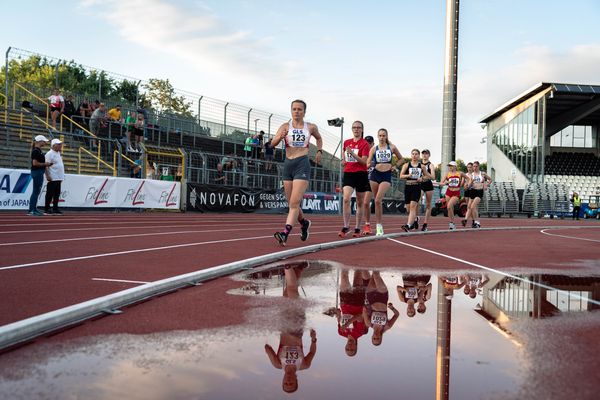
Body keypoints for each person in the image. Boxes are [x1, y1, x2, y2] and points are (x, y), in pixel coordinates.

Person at [270, 99, 323, 246]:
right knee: (291, 203)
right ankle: (304, 223)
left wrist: (319, 151)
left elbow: (319, 138)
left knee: (294, 203)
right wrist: (280, 137)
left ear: (304, 112)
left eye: (300, 109)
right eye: (294, 109)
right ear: (291, 111)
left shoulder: (310, 127)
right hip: (288, 165)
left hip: (302, 164)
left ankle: (285, 234)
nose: (296, 111)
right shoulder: (285, 126)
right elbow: (272, 144)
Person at [264, 263, 317, 394]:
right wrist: (314, 340)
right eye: (291, 383)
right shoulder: (304, 365)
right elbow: (312, 353)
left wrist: (271, 354)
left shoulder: (277, 364)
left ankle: (298, 269)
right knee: (292, 291)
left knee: (287, 293)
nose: (288, 380)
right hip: (296, 328)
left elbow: (266, 347)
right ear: (296, 380)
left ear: (282, 381)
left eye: (286, 383)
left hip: (283, 325)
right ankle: (287, 267)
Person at [366, 129, 404, 236]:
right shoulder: (374, 149)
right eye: (380, 135)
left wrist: (395, 166)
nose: (382, 137)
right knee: (376, 201)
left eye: (383, 135)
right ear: (377, 137)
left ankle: (379, 226)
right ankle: (377, 225)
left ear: (386, 136)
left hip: (386, 175)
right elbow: (368, 163)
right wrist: (371, 163)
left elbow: (401, 159)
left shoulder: (391, 147)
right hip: (375, 174)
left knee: (378, 199)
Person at [339, 121, 371, 238]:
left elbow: (364, 161)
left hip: (361, 174)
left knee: (359, 202)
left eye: (358, 127)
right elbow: (344, 156)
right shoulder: (347, 142)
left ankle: (357, 227)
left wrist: (352, 153)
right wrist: (343, 160)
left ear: (362, 130)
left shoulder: (365, 144)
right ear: (352, 129)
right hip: (348, 173)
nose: (356, 129)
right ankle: (346, 226)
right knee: (346, 199)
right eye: (354, 127)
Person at [331, 269, 370, 357]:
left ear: (345, 347)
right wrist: (348, 323)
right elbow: (360, 317)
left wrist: (338, 313)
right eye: (352, 349)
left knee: (344, 276)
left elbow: (339, 320)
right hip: (358, 302)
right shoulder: (359, 333)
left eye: (347, 349)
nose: (349, 347)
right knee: (358, 272)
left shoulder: (341, 333)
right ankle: (359, 257)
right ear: (356, 346)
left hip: (345, 303)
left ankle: (344, 260)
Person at [362, 271, 399, 346]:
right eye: (377, 339)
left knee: (372, 274)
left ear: (372, 337)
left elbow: (364, 310)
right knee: (376, 274)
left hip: (371, 296)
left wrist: (366, 306)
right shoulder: (387, 326)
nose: (376, 337)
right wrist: (392, 308)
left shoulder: (369, 323)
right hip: (383, 297)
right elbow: (397, 314)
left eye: (374, 338)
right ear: (381, 338)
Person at [400, 149, 432, 232]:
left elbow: (429, 176)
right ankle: (415, 219)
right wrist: (408, 175)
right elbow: (401, 176)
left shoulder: (422, 166)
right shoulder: (406, 165)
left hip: (417, 187)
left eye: (416, 154)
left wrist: (422, 178)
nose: (414, 155)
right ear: (411, 155)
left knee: (413, 207)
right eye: (413, 154)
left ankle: (408, 225)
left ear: (418, 156)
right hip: (408, 186)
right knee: (408, 209)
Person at [439, 161, 470, 230]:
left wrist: (467, 184)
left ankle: (452, 223)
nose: (450, 167)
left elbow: (468, 179)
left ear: (455, 166)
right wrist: (445, 182)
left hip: (456, 192)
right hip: (448, 192)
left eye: (451, 166)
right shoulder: (447, 174)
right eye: (449, 166)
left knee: (449, 206)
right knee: (449, 208)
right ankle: (451, 223)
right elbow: (441, 183)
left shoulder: (460, 173)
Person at [28, 135, 52, 216]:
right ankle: (32, 210)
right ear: (39, 141)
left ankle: (33, 209)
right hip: (37, 172)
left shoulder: (38, 150)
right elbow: (35, 163)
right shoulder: (36, 151)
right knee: (36, 191)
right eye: (44, 141)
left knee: (36, 191)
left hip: (38, 171)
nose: (45, 142)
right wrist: (46, 164)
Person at [466, 161, 492, 228]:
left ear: (478, 166)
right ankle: (475, 222)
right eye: (473, 166)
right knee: (471, 207)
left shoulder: (482, 174)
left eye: (476, 166)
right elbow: (468, 186)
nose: (474, 168)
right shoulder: (472, 175)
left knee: (472, 206)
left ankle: (476, 222)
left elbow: (490, 179)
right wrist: (470, 182)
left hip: (479, 191)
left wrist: (486, 185)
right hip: (473, 191)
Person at [43, 138, 65, 215]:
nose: (60, 146)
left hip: (58, 177)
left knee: (57, 194)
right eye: (59, 144)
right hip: (52, 177)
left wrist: (62, 176)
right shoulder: (49, 154)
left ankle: (55, 208)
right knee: (50, 193)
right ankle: (47, 209)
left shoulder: (58, 153)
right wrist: (47, 175)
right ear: (53, 145)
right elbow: (45, 165)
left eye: (60, 144)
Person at [419, 149, 436, 231]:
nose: (424, 155)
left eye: (426, 154)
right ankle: (416, 218)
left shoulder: (431, 165)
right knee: (417, 201)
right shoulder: (418, 164)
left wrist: (425, 176)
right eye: (423, 154)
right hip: (420, 184)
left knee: (428, 205)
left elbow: (433, 177)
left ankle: (425, 224)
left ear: (429, 155)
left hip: (428, 184)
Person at [361, 135, 375, 235]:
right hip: (362, 179)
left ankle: (367, 225)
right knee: (361, 203)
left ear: (373, 144)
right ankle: (359, 225)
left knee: (366, 203)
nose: (368, 144)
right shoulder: (361, 153)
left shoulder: (376, 154)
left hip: (373, 180)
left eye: (369, 143)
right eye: (366, 142)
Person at [461, 162, 474, 227]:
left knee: (470, 206)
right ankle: (473, 221)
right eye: (468, 167)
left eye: (470, 167)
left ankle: (466, 220)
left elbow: (472, 182)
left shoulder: (474, 175)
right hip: (466, 191)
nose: (469, 168)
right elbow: (462, 183)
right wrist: (463, 186)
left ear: (472, 168)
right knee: (469, 207)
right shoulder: (465, 174)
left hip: (472, 190)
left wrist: (467, 186)